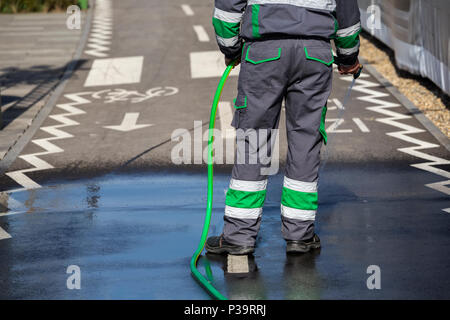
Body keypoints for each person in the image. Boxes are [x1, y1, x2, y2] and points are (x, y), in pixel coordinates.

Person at [206, 0, 362, 254]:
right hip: (314, 53)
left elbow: (227, 8)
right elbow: (347, 13)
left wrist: (231, 49)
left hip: (264, 52)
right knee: (306, 139)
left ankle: (238, 236)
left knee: (254, 140)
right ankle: (300, 235)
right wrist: (348, 57)